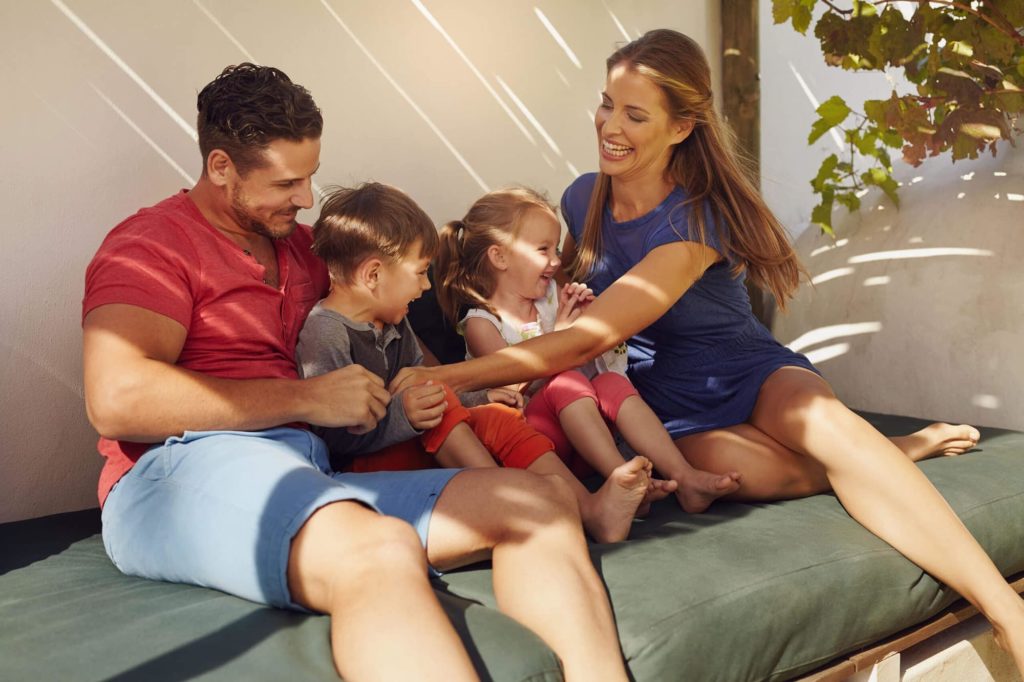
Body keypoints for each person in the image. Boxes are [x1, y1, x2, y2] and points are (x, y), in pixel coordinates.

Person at [392, 29, 1024, 671]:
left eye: (636, 114)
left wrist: (444, 375)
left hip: (747, 367)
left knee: (825, 427)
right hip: (666, 402)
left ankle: (1008, 614)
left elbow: (592, 337)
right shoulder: (582, 198)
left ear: (682, 127)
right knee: (753, 477)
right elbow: (564, 317)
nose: (611, 124)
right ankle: (894, 450)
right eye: (608, 103)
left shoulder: (696, 219)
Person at [81, 63, 630, 682]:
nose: (306, 198)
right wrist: (309, 397)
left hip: (309, 469)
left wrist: (470, 381)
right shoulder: (150, 246)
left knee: (543, 500)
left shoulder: (306, 251)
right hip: (180, 470)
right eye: (288, 182)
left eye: (310, 176)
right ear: (220, 167)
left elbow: (393, 316)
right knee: (379, 548)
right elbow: (117, 397)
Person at [296, 181, 663, 543]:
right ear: (373, 275)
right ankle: (512, 502)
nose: (426, 287)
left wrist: (481, 398)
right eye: (421, 273)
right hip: (368, 466)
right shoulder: (327, 333)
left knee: (495, 418)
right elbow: (335, 440)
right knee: (437, 396)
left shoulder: (394, 319)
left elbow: (426, 380)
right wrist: (404, 415)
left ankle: (589, 510)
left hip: (421, 443)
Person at [434, 186, 741, 513]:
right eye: (543, 249)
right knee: (567, 381)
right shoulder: (483, 323)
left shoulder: (551, 296)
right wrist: (562, 339)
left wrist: (588, 322)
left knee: (609, 382)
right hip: (539, 443)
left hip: (586, 439)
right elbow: (512, 384)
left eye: (556, 247)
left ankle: (685, 478)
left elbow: (593, 354)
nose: (555, 260)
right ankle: (620, 482)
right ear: (500, 257)